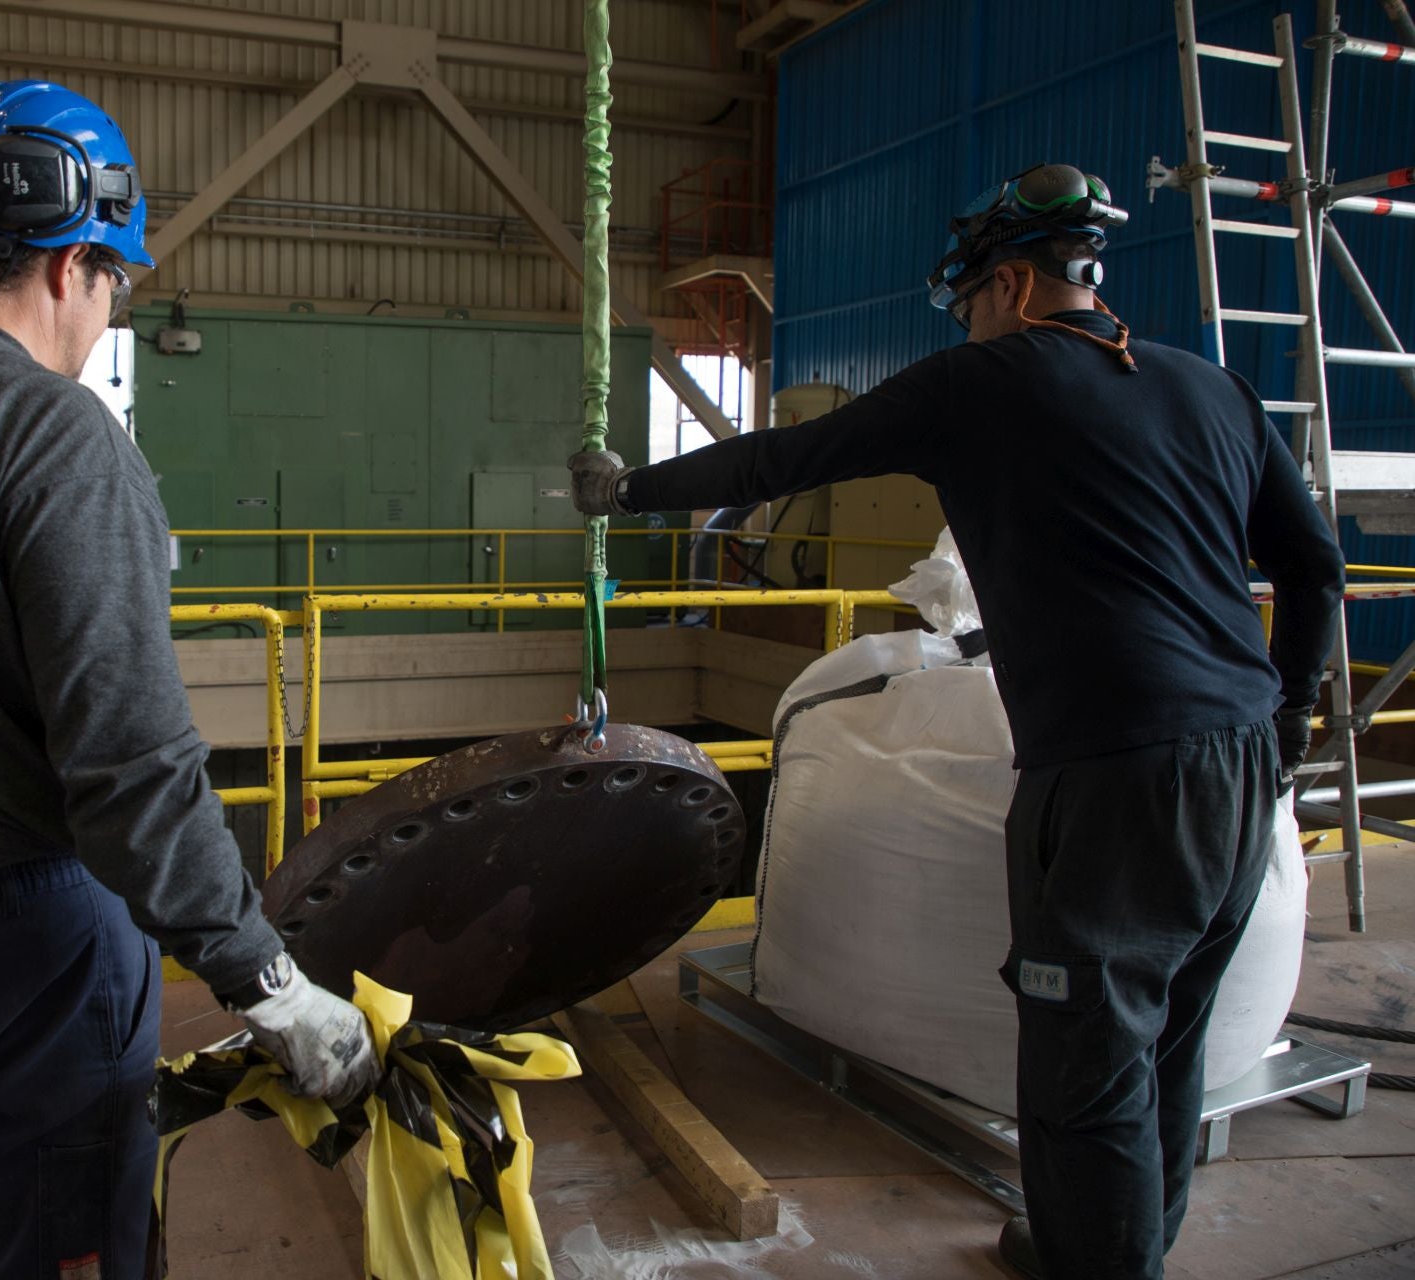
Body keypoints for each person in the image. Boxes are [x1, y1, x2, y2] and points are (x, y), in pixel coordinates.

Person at [570, 164, 1345, 1280]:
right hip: (1239, 770)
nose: (971, 324)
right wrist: (1289, 720)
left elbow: (785, 458)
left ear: (1017, 286)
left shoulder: (986, 382)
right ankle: (1106, 1239)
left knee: (1083, 1071)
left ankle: (1100, 1259)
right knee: (1165, 1047)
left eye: (972, 302)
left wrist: (630, 487)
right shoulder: (1211, 389)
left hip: (1115, 777)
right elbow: (1315, 569)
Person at [0, 80, 376, 1280]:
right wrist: (264, 979)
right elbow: (131, 763)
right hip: (30, 947)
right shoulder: (52, 430)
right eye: (112, 280)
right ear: (69, 264)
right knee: (67, 1249)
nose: (104, 313)